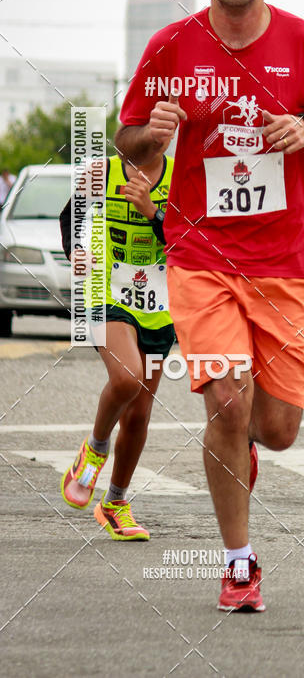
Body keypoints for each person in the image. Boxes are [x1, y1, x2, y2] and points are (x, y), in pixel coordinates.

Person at [115, 0, 304, 608]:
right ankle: (239, 564)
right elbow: (128, 140)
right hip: (200, 254)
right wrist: (153, 137)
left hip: (287, 261)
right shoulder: (171, 48)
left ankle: (244, 442)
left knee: (277, 429)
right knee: (227, 400)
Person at [59, 151, 175, 540]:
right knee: (127, 378)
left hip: (160, 306)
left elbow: (191, 239)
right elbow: (69, 217)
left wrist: (152, 212)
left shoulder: (180, 175)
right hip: (107, 294)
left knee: (140, 414)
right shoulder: (102, 171)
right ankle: (94, 449)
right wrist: (74, 251)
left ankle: (115, 503)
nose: (158, 132)